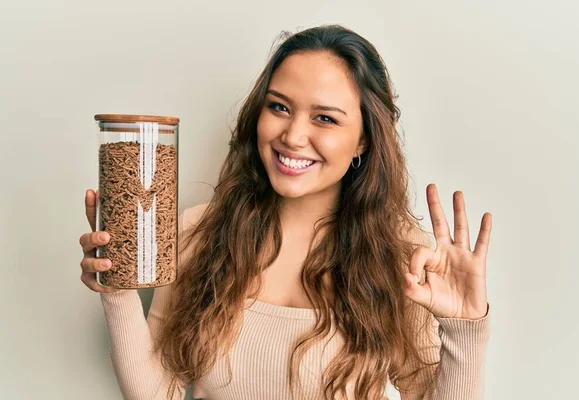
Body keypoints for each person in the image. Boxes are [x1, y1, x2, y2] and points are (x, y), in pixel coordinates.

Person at [79, 25, 491, 400]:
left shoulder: (406, 258)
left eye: (325, 118)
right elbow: (155, 394)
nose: (293, 136)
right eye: (279, 107)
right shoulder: (198, 232)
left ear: (364, 141)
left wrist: (465, 328)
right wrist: (116, 288)